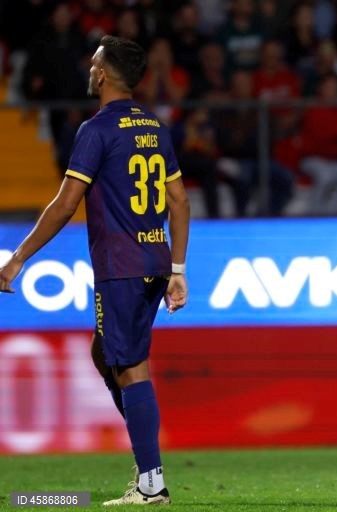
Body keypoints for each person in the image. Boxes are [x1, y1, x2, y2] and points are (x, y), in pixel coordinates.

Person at [0, 35, 189, 504]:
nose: (90, 68)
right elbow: (180, 201)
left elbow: (66, 204)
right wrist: (178, 268)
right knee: (106, 354)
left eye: (94, 63)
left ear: (103, 75)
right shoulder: (154, 128)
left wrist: (18, 257)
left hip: (120, 264)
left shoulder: (96, 130)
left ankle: (151, 482)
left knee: (129, 366)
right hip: (155, 257)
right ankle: (147, 463)